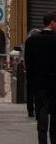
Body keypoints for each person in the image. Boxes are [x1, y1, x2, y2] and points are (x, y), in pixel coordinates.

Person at [24, 11, 56, 144]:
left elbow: (28, 65)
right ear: (52, 23)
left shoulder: (31, 41)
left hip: (39, 85)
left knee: (42, 117)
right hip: (55, 86)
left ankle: (42, 141)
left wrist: (32, 83)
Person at [22, 27, 42, 118]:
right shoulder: (41, 44)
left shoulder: (27, 43)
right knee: (39, 91)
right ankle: (38, 110)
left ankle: (30, 111)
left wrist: (26, 67)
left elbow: (24, 58)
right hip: (40, 71)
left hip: (30, 71)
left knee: (30, 91)